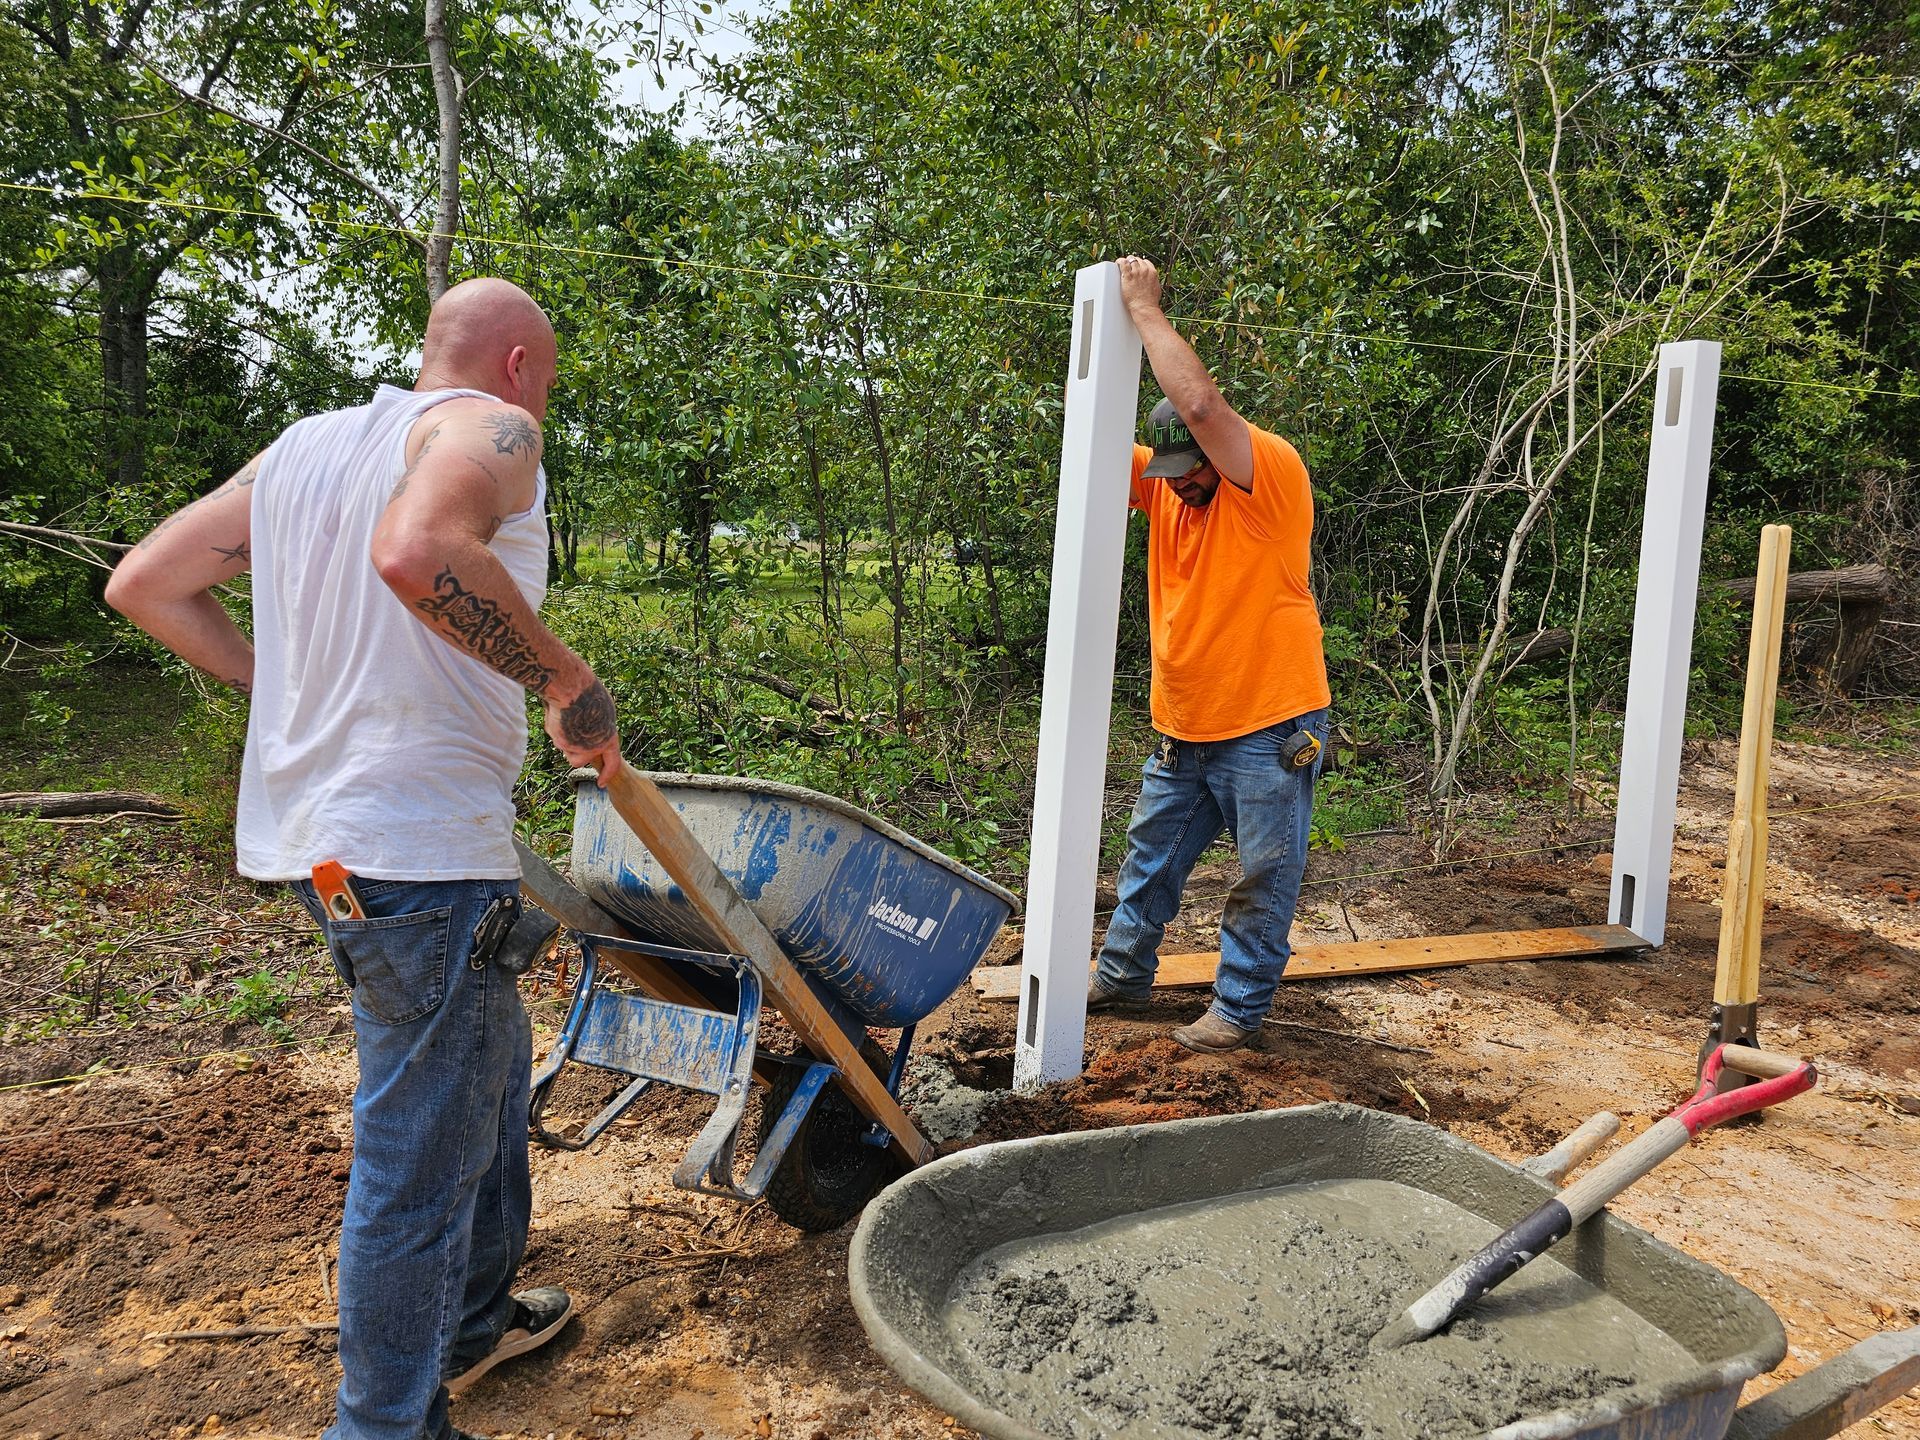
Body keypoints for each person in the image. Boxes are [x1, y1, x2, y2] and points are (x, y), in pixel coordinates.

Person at [107, 277, 621, 1440]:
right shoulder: (491, 430)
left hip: (333, 848)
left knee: (487, 1069)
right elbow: (417, 547)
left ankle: (476, 1322)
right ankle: (386, 1424)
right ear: (521, 367)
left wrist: (282, 688)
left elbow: (144, 584)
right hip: (419, 851)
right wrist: (561, 678)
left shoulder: (302, 449)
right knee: (417, 1155)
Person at [1086, 255, 1332, 1055]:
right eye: (1171, 473)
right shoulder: (1165, 482)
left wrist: (1142, 309)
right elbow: (1083, 434)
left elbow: (1196, 399)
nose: (1180, 488)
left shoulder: (1269, 475)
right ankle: (1121, 979)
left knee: (1264, 873)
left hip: (1267, 721)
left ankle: (1238, 1010)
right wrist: (1095, 326)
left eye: (1194, 471)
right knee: (1150, 861)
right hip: (1185, 723)